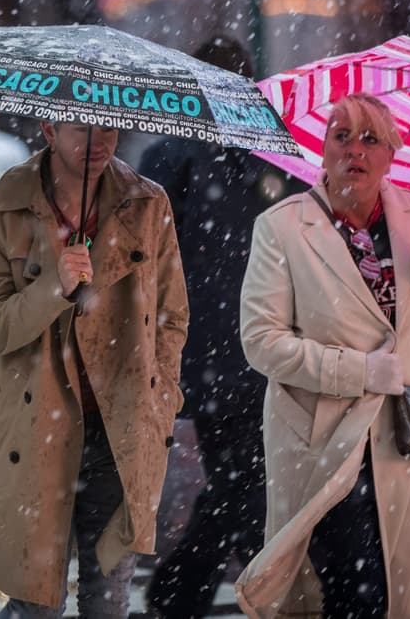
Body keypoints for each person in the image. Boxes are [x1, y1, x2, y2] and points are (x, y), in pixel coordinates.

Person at [234, 92, 410, 619]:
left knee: (390, 587)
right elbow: (261, 340)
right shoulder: (282, 227)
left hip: (403, 441)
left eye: (371, 139)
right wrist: (359, 371)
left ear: (391, 154)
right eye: (341, 135)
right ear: (321, 149)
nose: (355, 150)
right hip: (323, 437)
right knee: (350, 586)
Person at [0, 119, 189, 617]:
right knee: (37, 605)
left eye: (108, 127)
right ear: (49, 129)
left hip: (122, 431)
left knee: (108, 602)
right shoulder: (0, 209)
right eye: (82, 129)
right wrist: (53, 286)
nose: (99, 142)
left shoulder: (147, 205)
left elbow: (174, 315)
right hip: (36, 430)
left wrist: (162, 394)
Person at [140, 36, 304, 618]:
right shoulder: (274, 157)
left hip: (211, 353)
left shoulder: (171, 156)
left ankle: (188, 589)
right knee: (247, 483)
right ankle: (205, 589)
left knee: (241, 482)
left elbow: (151, 255)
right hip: (254, 349)